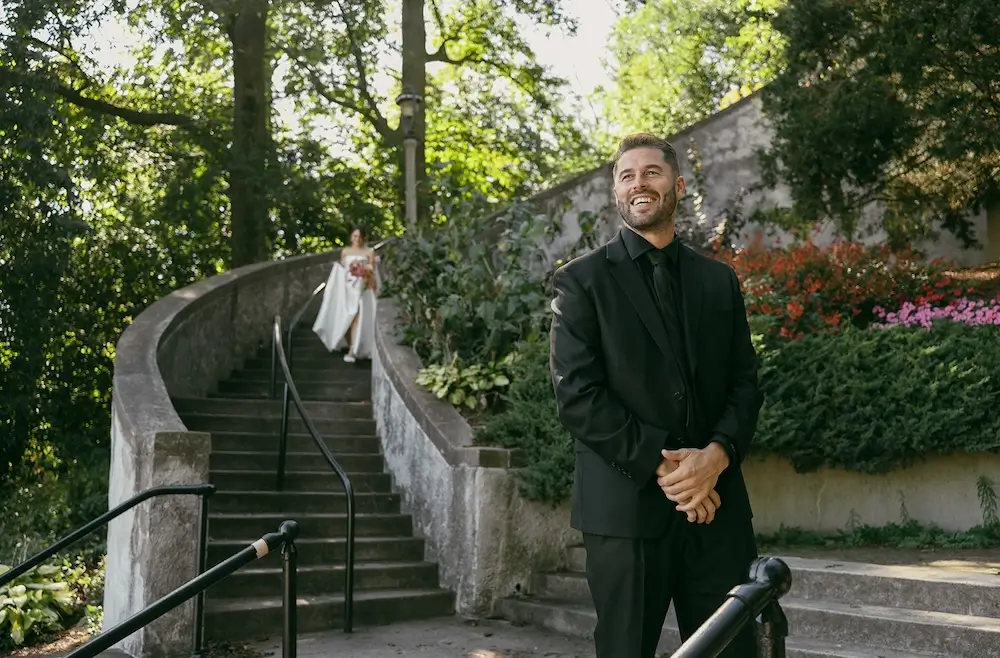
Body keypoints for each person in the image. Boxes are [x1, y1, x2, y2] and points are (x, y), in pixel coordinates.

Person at [548, 133, 764, 658]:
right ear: (616, 193)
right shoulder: (580, 283)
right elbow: (578, 396)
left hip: (716, 511)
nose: (639, 183)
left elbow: (745, 383)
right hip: (626, 515)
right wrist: (671, 469)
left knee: (732, 652)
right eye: (627, 176)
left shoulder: (719, 282)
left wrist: (715, 457)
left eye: (652, 172)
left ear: (679, 185)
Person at [312, 226, 379, 362]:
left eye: (360, 236)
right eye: (355, 236)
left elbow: (372, 271)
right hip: (347, 289)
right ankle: (350, 344)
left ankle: (353, 350)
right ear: (351, 237)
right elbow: (342, 271)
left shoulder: (369, 252)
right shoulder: (346, 252)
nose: (357, 239)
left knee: (356, 317)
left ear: (364, 238)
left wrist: (364, 272)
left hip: (362, 290)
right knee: (347, 318)